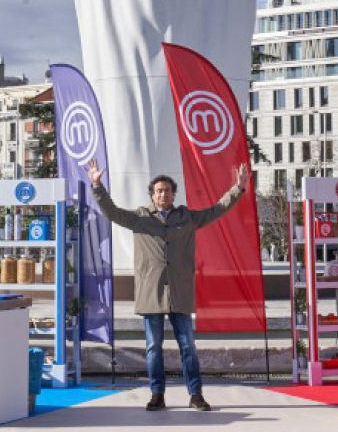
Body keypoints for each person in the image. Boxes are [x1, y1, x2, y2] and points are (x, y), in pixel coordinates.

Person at [87, 158, 249, 411]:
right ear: (152, 195)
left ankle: (196, 395)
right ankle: (157, 394)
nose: (163, 194)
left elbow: (216, 210)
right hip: (151, 291)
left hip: (179, 292)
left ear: (174, 194)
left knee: (188, 346)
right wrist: (97, 185)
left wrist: (237, 189)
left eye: (168, 190)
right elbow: (112, 211)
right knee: (153, 347)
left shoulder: (187, 217)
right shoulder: (140, 218)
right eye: (159, 190)